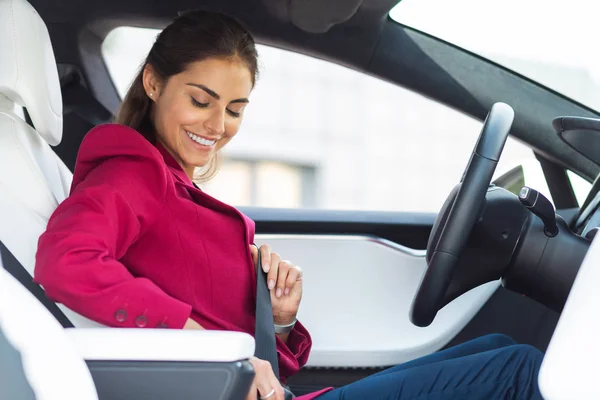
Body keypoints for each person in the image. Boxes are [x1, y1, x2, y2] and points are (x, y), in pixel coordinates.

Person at [33, 10, 544, 400]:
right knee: (518, 369)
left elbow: (256, 364)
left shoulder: (171, 183)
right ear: (153, 82)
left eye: (235, 109)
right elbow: (66, 262)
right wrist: (207, 351)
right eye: (200, 100)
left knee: (496, 349)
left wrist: (277, 320)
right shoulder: (131, 173)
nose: (217, 125)